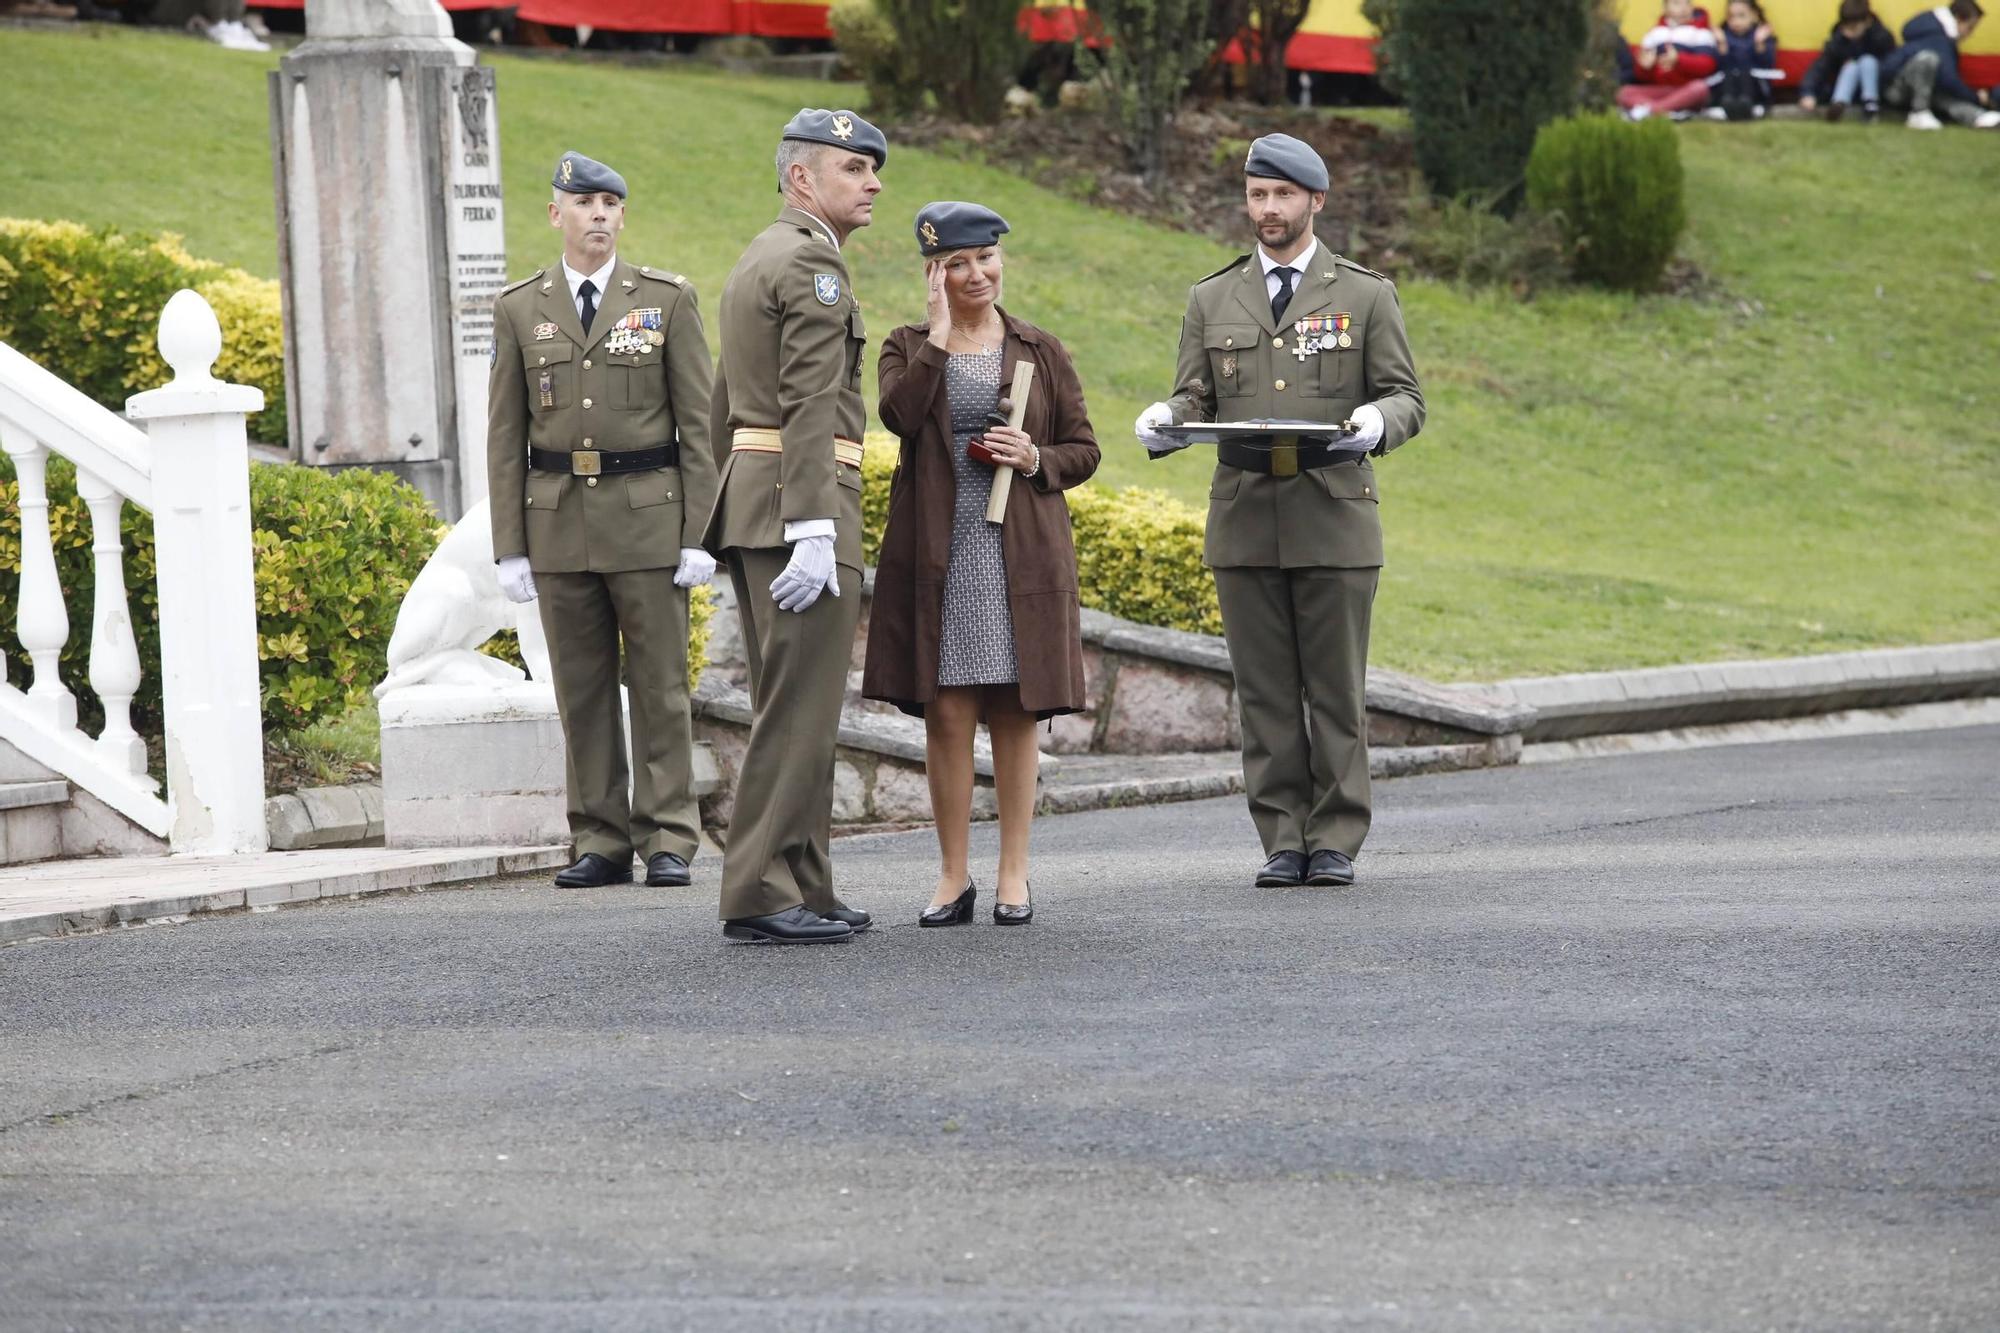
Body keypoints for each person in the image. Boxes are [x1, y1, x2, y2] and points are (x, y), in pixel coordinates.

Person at [1134, 134, 1424, 892]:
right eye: (1257, 195)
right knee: (1263, 693)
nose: (1268, 209)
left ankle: (1334, 836)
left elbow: (1406, 396)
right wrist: (1166, 415)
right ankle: (1281, 837)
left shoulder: (1363, 294)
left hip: (1333, 511)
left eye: (1283, 195)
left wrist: (1375, 424)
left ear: (1315, 201)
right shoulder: (1213, 296)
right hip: (1246, 512)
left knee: (1334, 689)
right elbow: (1196, 395)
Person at [864, 202, 1101, 928]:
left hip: (1019, 544)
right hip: (941, 543)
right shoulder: (906, 344)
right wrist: (937, 337)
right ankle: (950, 875)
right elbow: (900, 418)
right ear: (934, 272)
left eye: (986, 258)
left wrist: (1035, 457)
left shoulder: (1039, 348)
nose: (976, 275)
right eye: (957, 263)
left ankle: (1014, 876)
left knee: (1016, 708)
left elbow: (1083, 449)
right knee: (947, 710)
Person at [487, 151, 720, 891]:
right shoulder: (521, 307)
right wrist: (509, 547)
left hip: (648, 520)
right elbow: (504, 433)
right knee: (581, 690)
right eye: (584, 202)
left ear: (623, 216)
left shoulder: (665, 301)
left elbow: (699, 424)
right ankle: (599, 836)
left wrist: (698, 532)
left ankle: (669, 836)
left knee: (660, 687)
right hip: (557, 522)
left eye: (610, 204)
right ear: (556, 213)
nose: (599, 215)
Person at [701, 109, 887, 944]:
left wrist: (714, 518)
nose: (873, 181)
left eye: (873, 168)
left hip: (757, 498)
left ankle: (806, 878)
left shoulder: (758, 256)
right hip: (800, 502)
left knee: (801, 701)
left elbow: (722, 396)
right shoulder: (810, 263)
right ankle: (759, 890)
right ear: (802, 177)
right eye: (853, 168)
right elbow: (812, 401)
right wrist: (813, 521)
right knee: (798, 708)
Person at [1881, 1, 2000, 129]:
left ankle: (1978, 116)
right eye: (1970, 27)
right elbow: (1948, 78)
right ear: (1958, 19)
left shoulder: (1931, 30)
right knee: (1928, 60)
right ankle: (1919, 111)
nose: (1969, 34)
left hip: (1919, 89)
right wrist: (1975, 97)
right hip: (1896, 89)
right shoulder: (1939, 39)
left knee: (1942, 97)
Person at [1620, 0, 1721, 120]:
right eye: (1676, 3)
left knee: (1700, 88)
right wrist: (1645, 67)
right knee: (1625, 93)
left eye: (1687, 3)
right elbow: (1642, 76)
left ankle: (1650, 111)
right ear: (1665, 8)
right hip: (1661, 90)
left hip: (1686, 89)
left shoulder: (1701, 34)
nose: (1683, 8)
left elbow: (1708, 66)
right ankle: (1669, 110)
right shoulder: (1654, 34)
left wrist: (1679, 60)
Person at [1797, 0, 1897, 122]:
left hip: (1878, 85)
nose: (1850, 31)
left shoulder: (1882, 38)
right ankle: (1839, 103)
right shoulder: (1839, 40)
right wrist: (1808, 92)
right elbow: (1821, 66)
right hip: (1850, 87)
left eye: (1854, 27)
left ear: (1867, 22)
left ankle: (1870, 103)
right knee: (1851, 66)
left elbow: (1891, 66)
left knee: (1867, 61)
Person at [1704, 0, 1782, 120]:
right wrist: (1722, 44)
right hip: (1727, 85)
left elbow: (1768, 65)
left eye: (1741, 15)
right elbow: (1718, 67)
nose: (1736, 21)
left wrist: (1759, 44)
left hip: (1754, 86)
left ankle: (1747, 104)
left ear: (1754, 15)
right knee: (1730, 74)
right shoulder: (1723, 35)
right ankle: (1727, 103)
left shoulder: (1762, 35)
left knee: (1745, 74)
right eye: (1731, 17)